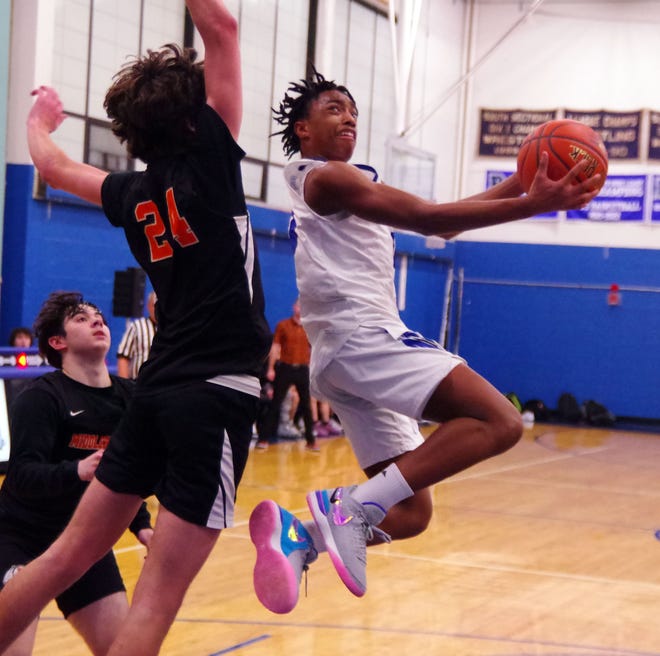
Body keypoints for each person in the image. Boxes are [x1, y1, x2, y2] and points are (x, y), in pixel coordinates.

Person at [248, 71, 602, 614]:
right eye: (335, 109)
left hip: (344, 354)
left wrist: (523, 183)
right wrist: (535, 205)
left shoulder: (343, 185)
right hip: (363, 336)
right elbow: (427, 217)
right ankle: (347, 508)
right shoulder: (325, 178)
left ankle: (301, 538)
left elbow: (445, 227)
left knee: (411, 514)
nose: (349, 117)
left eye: (354, 111)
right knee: (500, 422)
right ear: (303, 129)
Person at [0, 2, 271, 654]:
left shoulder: (134, 195)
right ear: (192, 117)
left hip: (153, 393)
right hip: (216, 392)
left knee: (63, 559)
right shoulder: (210, 155)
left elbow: (57, 168)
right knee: (154, 604)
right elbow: (221, 25)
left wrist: (37, 122)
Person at [0, 291, 153, 655]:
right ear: (58, 342)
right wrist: (77, 470)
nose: (97, 320)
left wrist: (143, 525)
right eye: (81, 319)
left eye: (97, 315)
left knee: (124, 649)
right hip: (19, 541)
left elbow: (130, 474)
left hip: (83, 540)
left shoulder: (130, 398)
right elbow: (21, 475)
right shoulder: (42, 397)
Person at [256, 299, 317, 451]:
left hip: (303, 369)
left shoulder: (309, 327)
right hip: (285, 368)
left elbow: (315, 348)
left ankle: (311, 441)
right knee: (276, 403)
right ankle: (263, 439)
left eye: (304, 306)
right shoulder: (283, 325)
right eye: (299, 306)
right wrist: (271, 368)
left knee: (306, 405)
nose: (301, 309)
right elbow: (275, 347)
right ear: (294, 307)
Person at [116, 290, 157, 379]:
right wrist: (125, 386)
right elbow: (123, 356)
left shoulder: (171, 329)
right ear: (149, 306)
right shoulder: (136, 326)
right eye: (155, 306)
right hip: (138, 383)